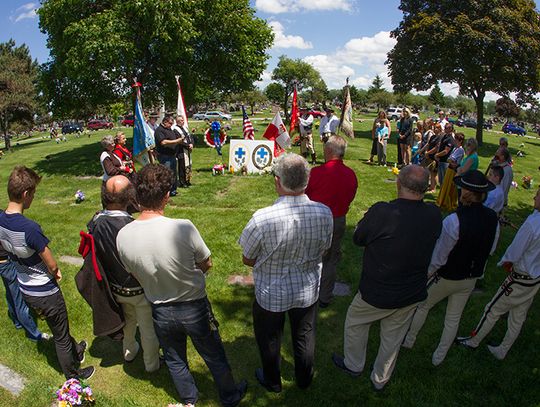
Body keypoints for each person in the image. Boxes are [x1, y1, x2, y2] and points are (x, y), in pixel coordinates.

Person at [117, 164, 247, 407]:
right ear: (166, 196)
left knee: (175, 359)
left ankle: (189, 400)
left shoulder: (123, 234)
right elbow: (206, 263)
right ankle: (230, 396)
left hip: (159, 307)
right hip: (193, 306)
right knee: (214, 354)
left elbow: (133, 272)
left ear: (137, 195)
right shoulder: (183, 227)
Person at [332, 165, 442, 390]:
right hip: (411, 290)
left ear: (399, 184)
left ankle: (354, 365)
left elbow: (359, 237)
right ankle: (380, 379)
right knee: (393, 338)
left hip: (378, 290)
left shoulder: (384, 212)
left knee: (355, 322)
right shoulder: (433, 214)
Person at [239, 154, 333, 392]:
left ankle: (273, 381)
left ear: (277, 181)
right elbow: (325, 249)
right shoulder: (324, 212)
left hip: (271, 292)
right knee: (305, 334)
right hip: (307, 289)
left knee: (270, 338)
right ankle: (304, 378)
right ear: (307, 181)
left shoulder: (262, 218)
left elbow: (248, 258)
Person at [0, 166, 94, 380]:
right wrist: (56, 272)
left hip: (24, 285)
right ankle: (73, 375)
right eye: (33, 194)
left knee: (58, 325)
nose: (33, 198)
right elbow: (51, 263)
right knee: (60, 335)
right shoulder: (29, 228)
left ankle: (76, 351)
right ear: (25, 194)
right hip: (44, 290)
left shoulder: (0, 219)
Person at [402, 170, 499, 366]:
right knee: (453, 318)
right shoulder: (492, 218)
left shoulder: (454, 221)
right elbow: (492, 248)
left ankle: (408, 340)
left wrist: (428, 273)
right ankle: (439, 356)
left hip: (448, 276)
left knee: (423, 305)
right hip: (471, 276)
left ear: (466, 193)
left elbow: (440, 255)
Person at [456, 188, 540, 360]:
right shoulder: (534, 221)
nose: (534, 197)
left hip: (520, 278)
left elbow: (516, 249)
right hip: (534, 279)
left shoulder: (532, 224)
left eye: (538, 195)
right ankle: (503, 349)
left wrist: (506, 261)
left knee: (492, 309)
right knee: (518, 315)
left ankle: (474, 340)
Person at [87, 176, 160, 372]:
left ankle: (129, 352)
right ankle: (151, 364)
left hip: (114, 287)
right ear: (129, 195)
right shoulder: (131, 225)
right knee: (147, 328)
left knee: (128, 322)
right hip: (137, 287)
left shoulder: (95, 222)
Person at [306, 136, 358, 307]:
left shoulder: (316, 173)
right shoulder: (350, 175)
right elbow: (350, 197)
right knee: (331, 260)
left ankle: (307, 294)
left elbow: (305, 196)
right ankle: (325, 297)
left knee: (310, 257)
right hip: (338, 220)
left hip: (315, 220)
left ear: (328, 151)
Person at [0, 243, 48, 341]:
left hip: (2, 262)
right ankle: (34, 334)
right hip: (6, 260)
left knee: (11, 292)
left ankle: (17, 322)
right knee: (19, 299)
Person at [153, 115, 183, 197]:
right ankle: (165, 192)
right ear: (165, 122)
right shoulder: (159, 130)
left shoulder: (169, 129)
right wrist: (177, 141)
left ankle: (173, 190)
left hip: (172, 155)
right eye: (170, 123)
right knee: (166, 174)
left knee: (173, 174)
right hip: (164, 156)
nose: (171, 125)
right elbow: (163, 142)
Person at [436, 132, 465, 212]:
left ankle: (448, 203)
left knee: (450, 187)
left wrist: (450, 160)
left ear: (460, 141)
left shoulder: (460, 150)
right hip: (450, 169)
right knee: (446, 185)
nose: (455, 141)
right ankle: (443, 201)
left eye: (456, 140)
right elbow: (449, 159)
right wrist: (450, 160)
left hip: (453, 171)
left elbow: (451, 159)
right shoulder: (456, 148)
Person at [172, 116, 194, 187]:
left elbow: (190, 137)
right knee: (182, 166)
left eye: (183, 120)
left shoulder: (185, 128)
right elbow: (179, 141)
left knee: (188, 165)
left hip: (188, 149)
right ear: (177, 121)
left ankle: (187, 180)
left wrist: (192, 144)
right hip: (181, 150)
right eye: (181, 120)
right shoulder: (175, 130)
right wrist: (188, 146)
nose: (183, 121)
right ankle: (182, 182)